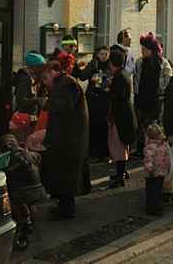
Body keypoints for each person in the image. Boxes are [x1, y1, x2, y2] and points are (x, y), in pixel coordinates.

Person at [40, 54, 90, 220]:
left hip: (70, 138)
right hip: (66, 136)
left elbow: (64, 106)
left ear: (54, 73)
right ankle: (63, 205)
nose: (45, 82)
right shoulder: (62, 84)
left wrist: (44, 102)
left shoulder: (67, 84)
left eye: (46, 78)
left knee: (66, 172)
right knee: (62, 171)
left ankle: (66, 209)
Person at [133, 33, 172, 156]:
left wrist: (162, 91)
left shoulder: (163, 63)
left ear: (151, 50)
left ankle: (155, 149)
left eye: (144, 49)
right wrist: (136, 93)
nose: (142, 51)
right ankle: (141, 149)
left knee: (155, 126)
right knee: (141, 126)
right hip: (141, 99)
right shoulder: (140, 62)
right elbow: (136, 79)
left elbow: (168, 79)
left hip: (156, 100)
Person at [75, 46, 111, 161]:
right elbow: (83, 76)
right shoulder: (93, 64)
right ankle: (93, 153)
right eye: (101, 54)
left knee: (104, 127)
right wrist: (80, 67)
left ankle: (104, 153)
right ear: (97, 54)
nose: (104, 56)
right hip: (93, 100)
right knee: (93, 126)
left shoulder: (110, 66)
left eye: (106, 54)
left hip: (105, 100)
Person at [107, 49, 136, 188]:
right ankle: (122, 171)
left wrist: (107, 90)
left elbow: (117, 95)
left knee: (118, 145)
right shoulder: (124, 73)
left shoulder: (119, 76)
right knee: (123, 144)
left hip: (121, 115)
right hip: (125, 113)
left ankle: (120, 177)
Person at [143, 123, 170, 216]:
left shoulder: (161, 145)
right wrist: (150, 169)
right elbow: (148, 159)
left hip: (160, 172)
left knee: (156, 190)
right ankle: (153, 208)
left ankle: (154, 207)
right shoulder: (152, 146)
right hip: (153, 173)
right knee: (153, 191)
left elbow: (166, 157)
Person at [12, 51, 46, 121]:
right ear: (33, 66)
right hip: (24, 118)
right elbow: (20, 101)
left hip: (27, 116)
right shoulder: (26, 79)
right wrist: (38, 100)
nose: (42, 69)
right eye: (40, 66)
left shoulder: (30, 78)